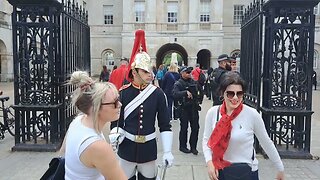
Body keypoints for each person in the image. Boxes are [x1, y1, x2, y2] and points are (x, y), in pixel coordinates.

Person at [109, 29, 174, 180]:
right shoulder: (123, 92)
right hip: (127, 148)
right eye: (145, 71)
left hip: (148, 149)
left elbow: (165, 124)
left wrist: (167, 151)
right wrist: (114, 133)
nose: (150, 74)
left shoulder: (157, 94)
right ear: (135, 72)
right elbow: (115, 120)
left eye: (150, 71)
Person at [202, 71, 285, 180]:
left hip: (247, 172)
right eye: (230, 93)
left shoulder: (252, 114)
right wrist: (209, 162)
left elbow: (266, 142)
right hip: (220, 172)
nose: (235, 98)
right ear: (223, 93)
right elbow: (206, 141)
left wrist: (280, 168)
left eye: (239, 93)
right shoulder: (213, 113)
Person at [60, 71, 127, 180]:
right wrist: (106, 155)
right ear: (96, 108)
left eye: (118, 99)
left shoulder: (78, 121)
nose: (120, 104)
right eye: (114, 102)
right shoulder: (98, 146)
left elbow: (64, 151)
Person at [172, 66, 202, 155]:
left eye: (190, 72)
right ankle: (183, 146)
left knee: (195, 128)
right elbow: (174, 94)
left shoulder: (194, 82)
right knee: (184, 128)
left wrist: (198, 99)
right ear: (182, 73)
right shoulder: (178, 83)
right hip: (184, 109)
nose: (189, 74)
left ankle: (193, 147)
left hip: (193, 108)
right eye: (187, 72)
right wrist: (185, 93)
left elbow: (200, 91)